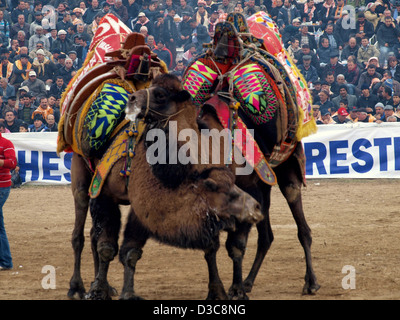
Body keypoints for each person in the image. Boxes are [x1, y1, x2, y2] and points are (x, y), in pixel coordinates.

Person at [0, 130, 17, 270]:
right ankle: (5, 261)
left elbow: (12, 162)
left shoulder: (6, 143)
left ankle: (6, 261)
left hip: (2, 187)